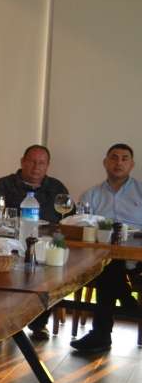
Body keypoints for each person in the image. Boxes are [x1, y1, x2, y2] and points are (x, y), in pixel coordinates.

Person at [71, 143, 142, 353]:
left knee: (108, 271)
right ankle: (127, 301)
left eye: (124, 158)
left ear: (132, 164)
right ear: (105, 162)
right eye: (114, 157)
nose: (118, 162)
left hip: (137, 255)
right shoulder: (91, 194)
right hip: (102, 252)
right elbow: (82, 224)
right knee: (107, 266)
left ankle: (101, 335)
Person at [0, 144, 69, 224]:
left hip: (51, 232)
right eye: (32, 162)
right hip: (13, 232)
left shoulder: (57, 187)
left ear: (47, 165)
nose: (36, 167)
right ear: (22, 162)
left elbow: (70, 219)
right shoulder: (4, 184)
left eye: (41, 163)